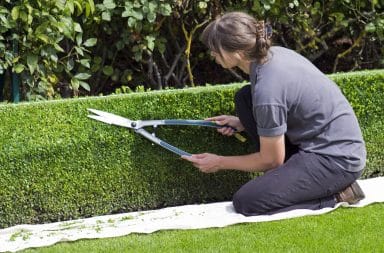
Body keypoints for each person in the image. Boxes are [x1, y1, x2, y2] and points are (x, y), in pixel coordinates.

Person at [181, 11, 366, 216]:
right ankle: (289, 180)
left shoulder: (268, 89)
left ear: (238, 52)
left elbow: (271, 161)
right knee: (244, 98)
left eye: (215, 50)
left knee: (246, 201)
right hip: (324, 143)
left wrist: (220, 162)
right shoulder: (271, 56)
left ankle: (339, 194)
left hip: (336, 160)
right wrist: (241, 122)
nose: (212, 55)